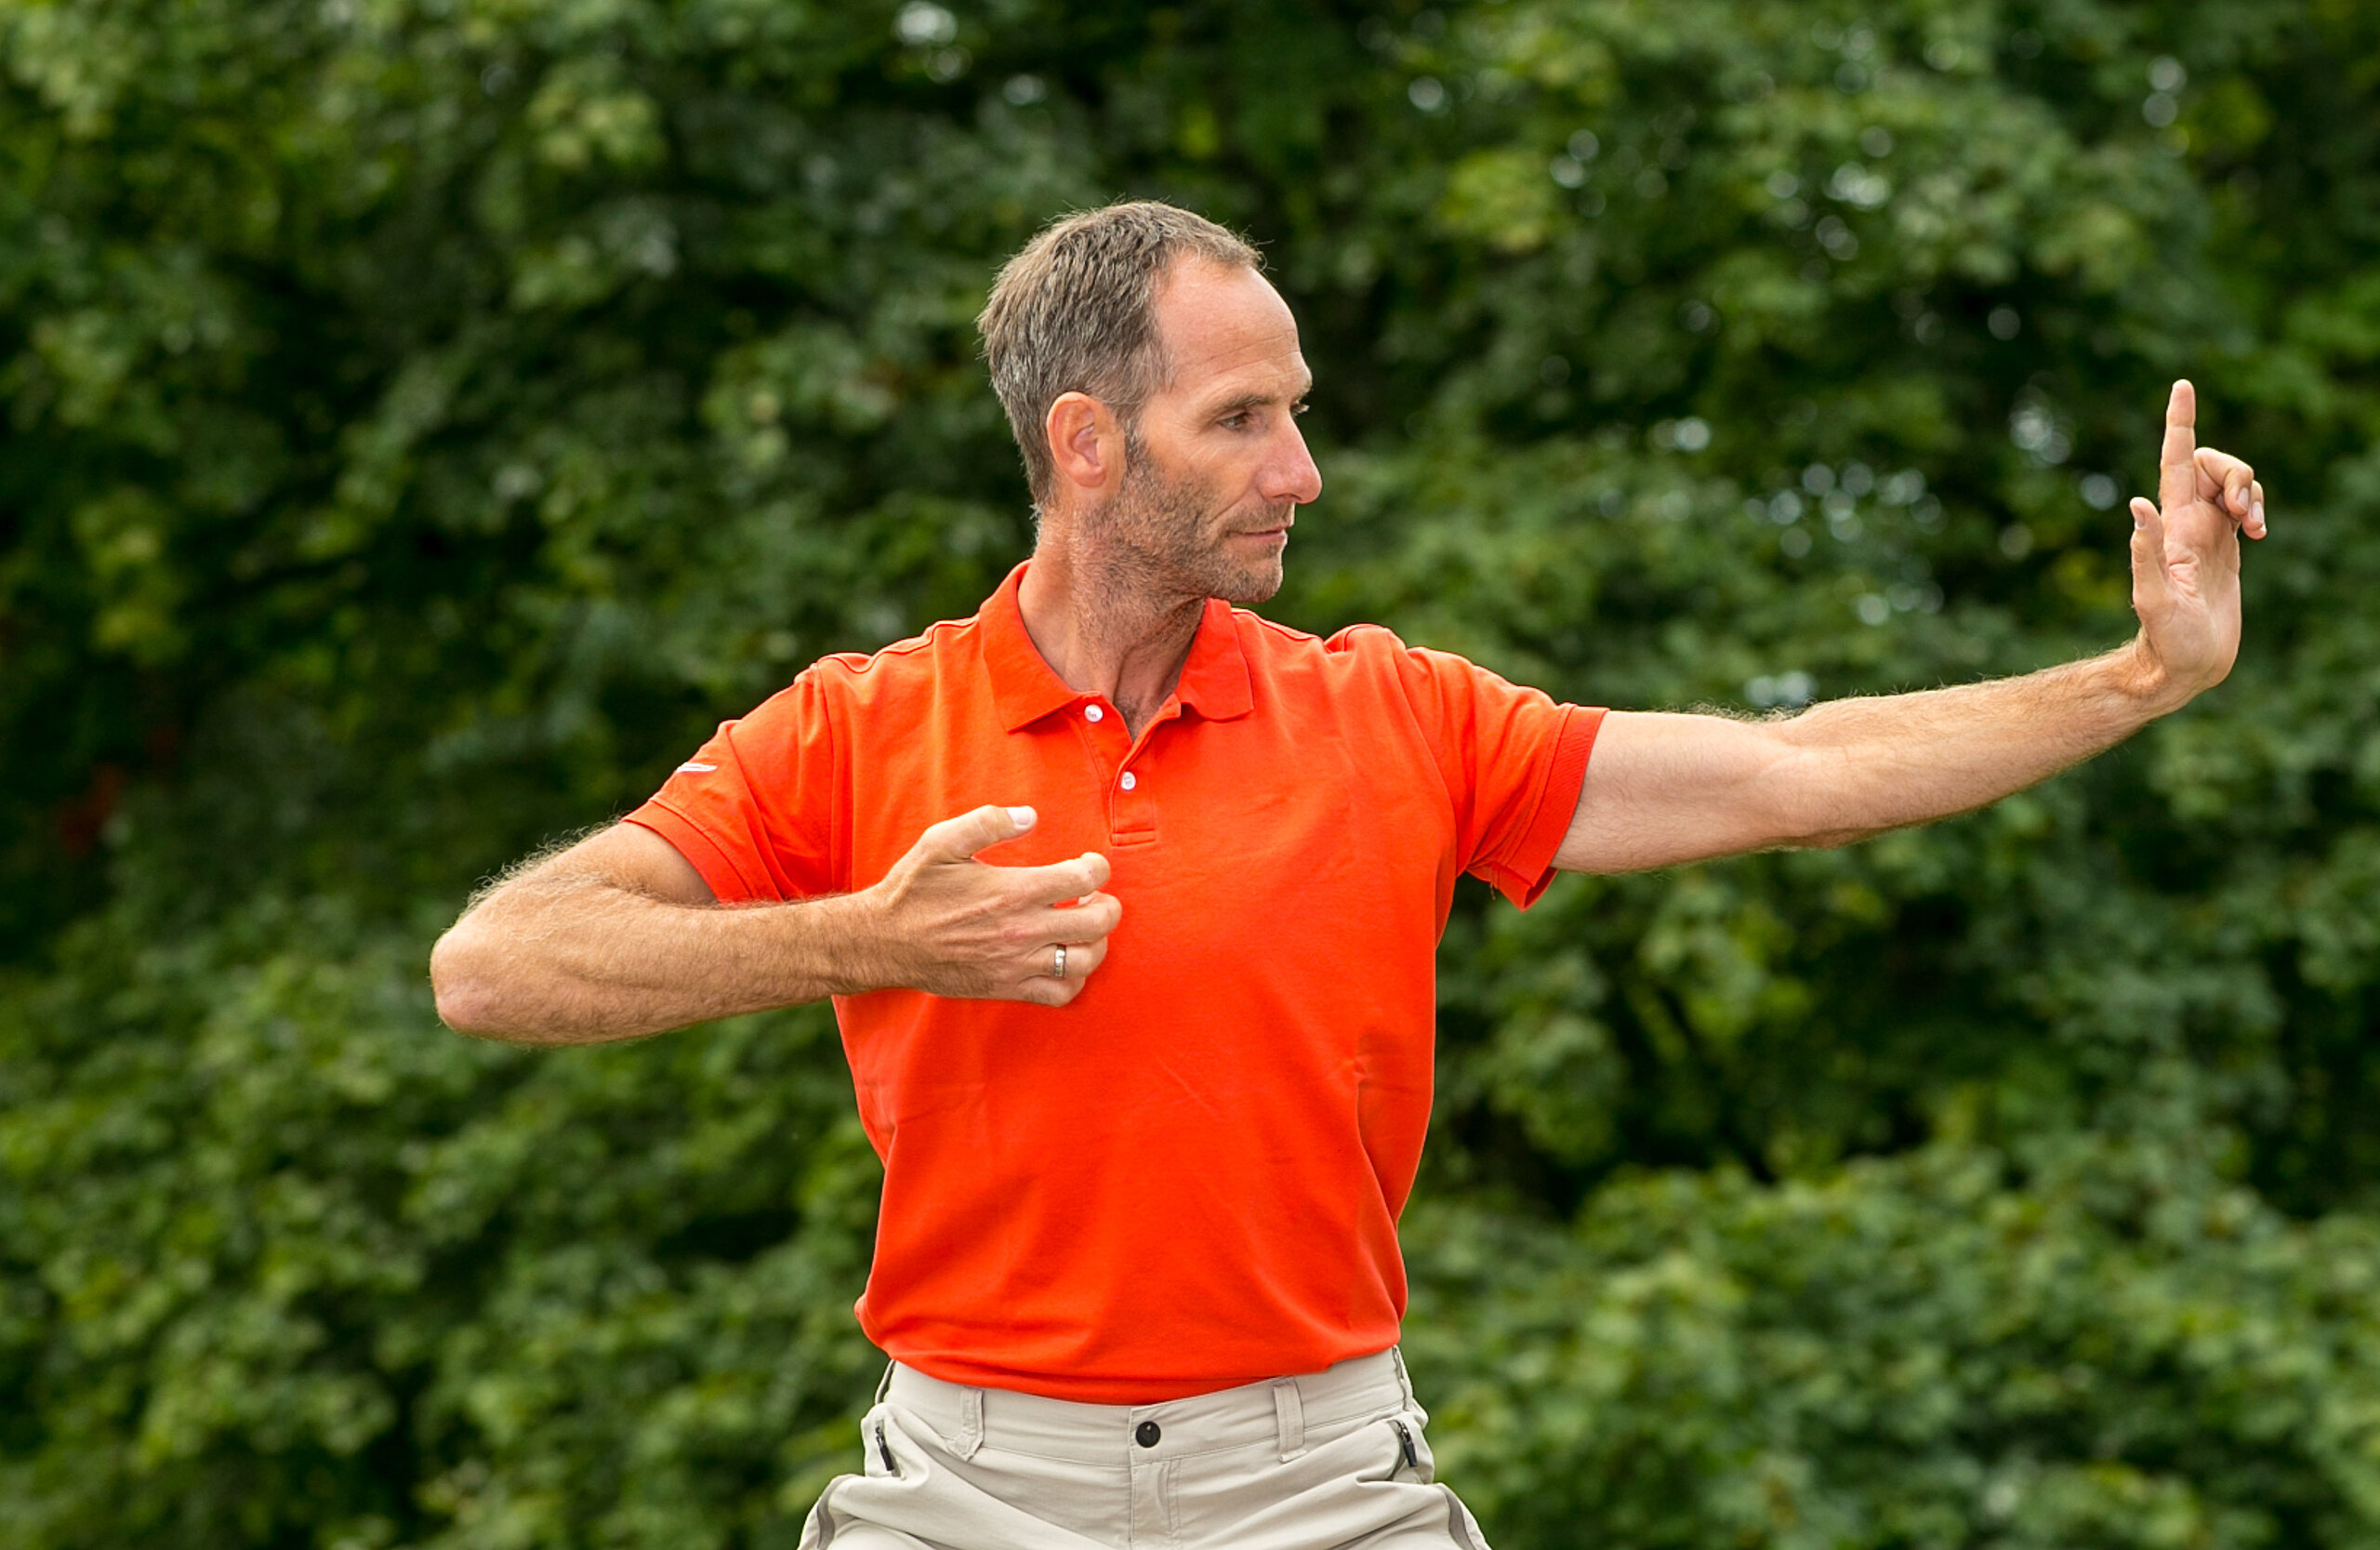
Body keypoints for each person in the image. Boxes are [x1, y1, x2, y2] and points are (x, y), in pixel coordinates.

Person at [430, 201, 2267, 1549]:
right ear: (1087, 445)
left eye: (1295, 411)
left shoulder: (1394, 716)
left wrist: (2138, 675)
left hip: (1316, 1490)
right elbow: (497, 963)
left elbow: (1792, 769)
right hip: (967, 1495)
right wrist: (860, 939)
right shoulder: (857, 730)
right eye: (1241, 419)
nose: (1298, 468)